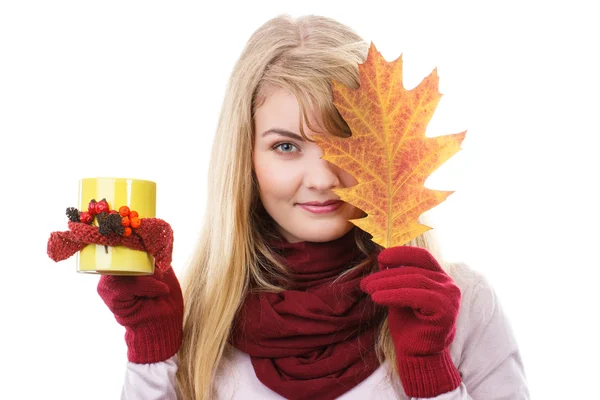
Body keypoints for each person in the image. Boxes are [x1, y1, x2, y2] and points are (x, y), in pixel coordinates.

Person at [97, 14, 530, 400]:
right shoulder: (200, 317)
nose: (322, 179)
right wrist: (151, 351)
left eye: (344, 144)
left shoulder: (460, 305)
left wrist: (431, 379)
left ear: (384, 153)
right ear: (245, 158)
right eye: (286, 146)